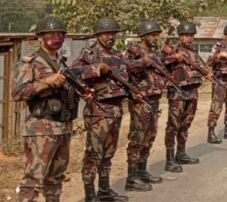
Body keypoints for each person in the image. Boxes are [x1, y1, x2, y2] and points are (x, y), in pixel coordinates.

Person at [13, 17, 91, 202]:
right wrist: (44, 82)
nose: (57, 37)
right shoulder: (30, 62)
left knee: (55, 178)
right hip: (41, 128)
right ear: (40, 37)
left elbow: (67, 90)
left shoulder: (62, 63)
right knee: (33, 179)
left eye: (60, 34)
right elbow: (17, 93)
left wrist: (82, 94)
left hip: (63, 127)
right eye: (52, 34)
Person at [72, 17, 148, 202]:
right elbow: (74, 72)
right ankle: (90, 194)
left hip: (116, 108)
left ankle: (104, 189)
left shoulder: (116, 55)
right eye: (107, 33)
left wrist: (134, 94)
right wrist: (97, 68)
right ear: (98, 34)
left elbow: (124, 80)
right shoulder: (90, 53)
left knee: (109, 152)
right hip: (98, 110)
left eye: (113, 33)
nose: (110, 37)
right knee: (93, 154)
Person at [122, 21, 166, 191]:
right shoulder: (132, 52)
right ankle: (131, 178)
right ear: (144, 36)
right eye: (153, 35)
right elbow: (123, 70)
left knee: (150, 135)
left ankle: (142, 171)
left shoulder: (153, 51)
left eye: (157, 34)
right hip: (140, 100)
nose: (156, 38)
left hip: (154, 98)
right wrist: (142, 62)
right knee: (137, 139)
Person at [161, 21, 207, 172]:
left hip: (192, 91)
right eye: (185, 35)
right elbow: (161, 64)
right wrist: (175, 58)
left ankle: (181, 153)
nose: (188, 38)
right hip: (178, 92)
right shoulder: (171, 50)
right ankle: (169, 159)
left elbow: (202, 66)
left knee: (186, 123)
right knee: (173, 125)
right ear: (180, 36)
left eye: (190, 35)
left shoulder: (193, 52)